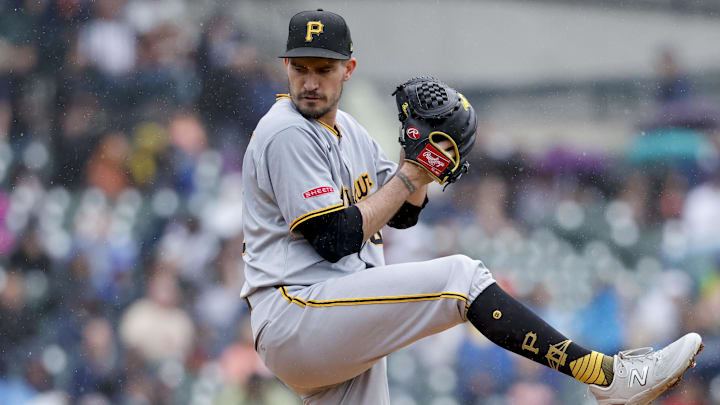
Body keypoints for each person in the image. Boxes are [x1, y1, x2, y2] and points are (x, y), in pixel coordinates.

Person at [240, 9, 703, 405]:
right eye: (300, 67)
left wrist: (417, 157)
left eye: (323, 68)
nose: (310, 81)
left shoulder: (352, 132)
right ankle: (605, 376)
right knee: (461, 279)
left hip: (331, 318)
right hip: (297, 310)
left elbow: (401, 212)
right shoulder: (287, 132)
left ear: (349, 69)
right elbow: (334, 238)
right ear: (285, 66)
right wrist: (412, 174)